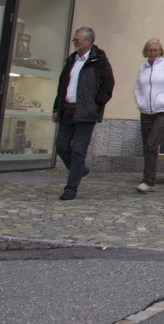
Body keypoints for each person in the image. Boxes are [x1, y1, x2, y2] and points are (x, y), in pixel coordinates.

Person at [52, 27, 114, 201]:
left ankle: (71, 188)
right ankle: (80, 169)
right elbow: (62, 85)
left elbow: (108, 85)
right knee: (62, 146)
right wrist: (56, 108)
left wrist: (96, 104)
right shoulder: (71, 60)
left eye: (77, 40)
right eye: (74, 40)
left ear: (88, 41)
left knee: (79, 151)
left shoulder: (99, 60)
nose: (75, 42)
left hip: (86, 112)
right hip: (67, 110)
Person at [132, 37, 164, 193]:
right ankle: (150, 179)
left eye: (155, 50)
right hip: (146, 110)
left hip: (163, 110)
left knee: (151, 143)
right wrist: (140, 101)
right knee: (147, 145)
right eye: (150, 50)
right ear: (145, 52)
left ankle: (147, 180)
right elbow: (137, 87)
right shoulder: (143, 68)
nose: (152, 52)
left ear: (160, 51)